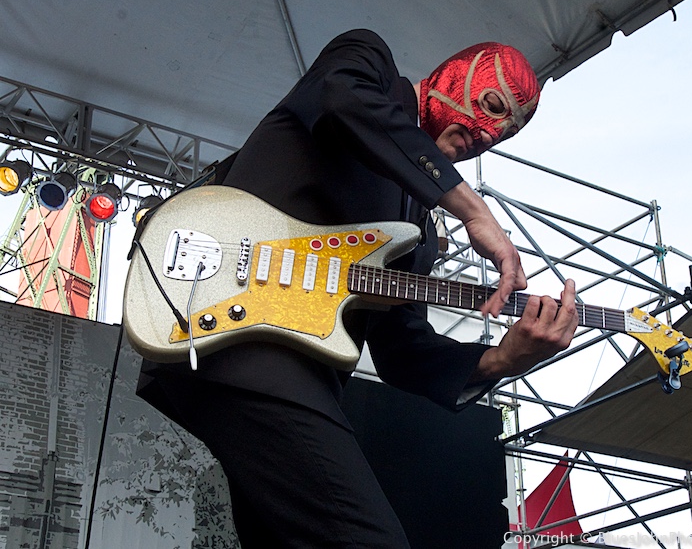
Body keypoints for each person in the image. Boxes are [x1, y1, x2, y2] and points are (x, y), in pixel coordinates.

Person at [136, 29, 578, 547]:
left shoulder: (419, 231)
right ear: (455, 73)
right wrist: (473, 208)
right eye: (491, 105)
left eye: (503, 134)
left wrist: (503, 359)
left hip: (290, 377)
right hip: (233, 335)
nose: (487, 133)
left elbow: (401, 352)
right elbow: (341, 97)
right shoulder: (367, 64)